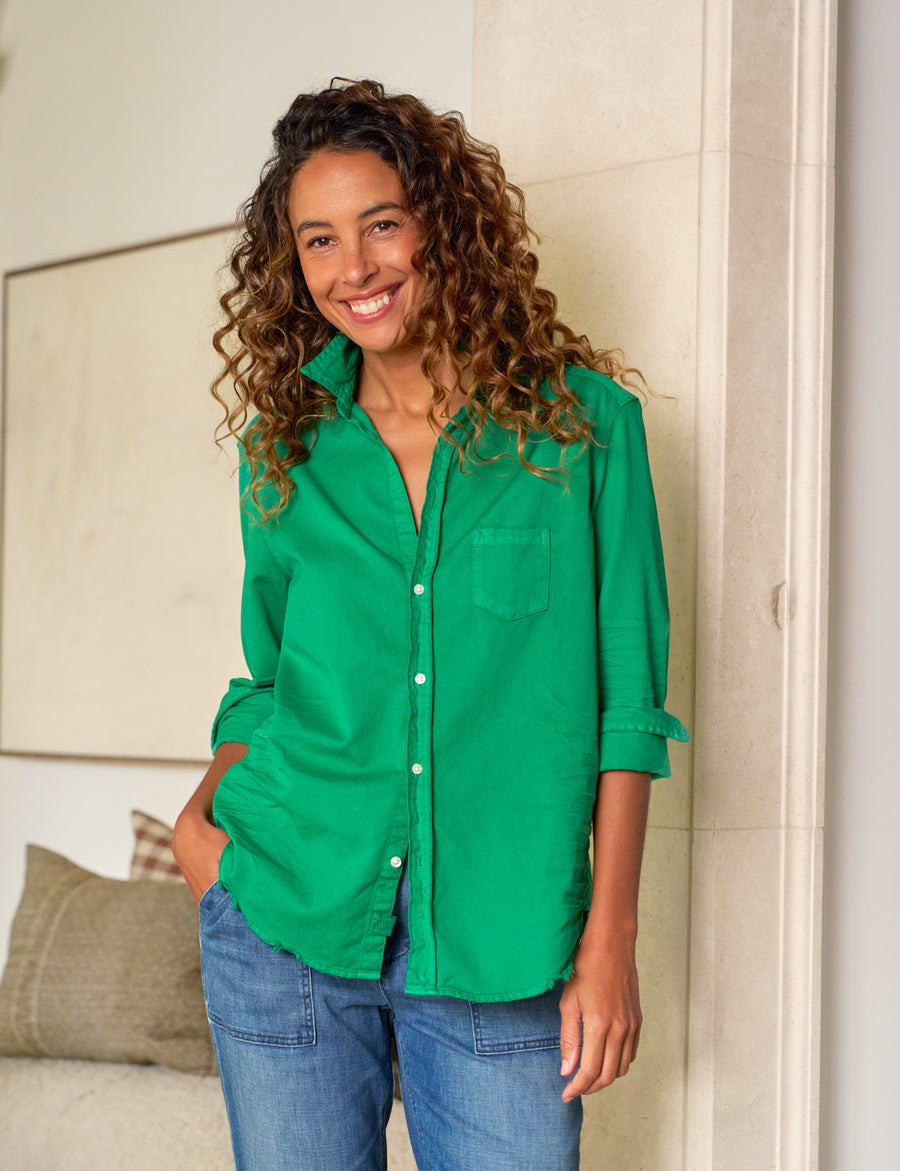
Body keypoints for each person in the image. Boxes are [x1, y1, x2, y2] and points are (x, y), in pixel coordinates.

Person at [173, 78, 688, 1171]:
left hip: (502, 939)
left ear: (444, 226)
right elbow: (270, 678)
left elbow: (627, 703)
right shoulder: (286, 448)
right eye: (318, 240)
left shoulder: (584, 428)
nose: (353, 267)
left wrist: (611, 938)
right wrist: (198, 830)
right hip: (289, 913)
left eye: (382, 224)